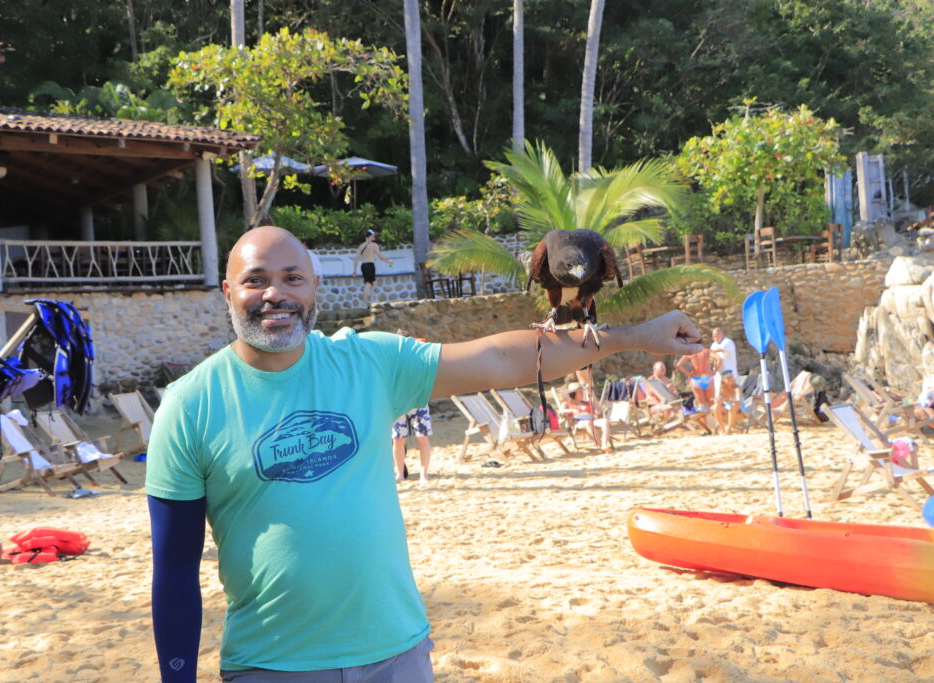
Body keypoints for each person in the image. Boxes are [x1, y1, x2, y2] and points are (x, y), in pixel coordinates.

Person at [146, 226, 703, 682]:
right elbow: (174, 569)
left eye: (292, 278)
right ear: (227, 291)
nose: (276, 294)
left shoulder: (369, 363)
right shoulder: (190, 405)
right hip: (273, 665)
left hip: (397, 654)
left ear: (314, 286)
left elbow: (497, 359)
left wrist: (637, 334)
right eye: (255, 281)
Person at [392, 331, 433, 484]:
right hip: (399, 402)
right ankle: (400, 474)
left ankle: (424, 474)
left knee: (422, 437)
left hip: (418, 400)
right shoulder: (392, 359)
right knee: (398, 439)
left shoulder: (420, 357)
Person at [562, 380, 611, 451]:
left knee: (605, 421)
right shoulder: (567, 403)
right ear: (573, 393)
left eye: (582, 392)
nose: (582, 394)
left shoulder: (587, 403)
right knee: (588, 423)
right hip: (578, 423)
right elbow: (561, 411)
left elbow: (599, 411)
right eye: (580, 392)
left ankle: (604, 444)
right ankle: (601, 445)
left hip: (592, 420)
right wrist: (571, 410)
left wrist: (592, 394)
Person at [351, 229, 393, 307]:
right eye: (373, 236)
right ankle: (364, 303)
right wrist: (388, 261)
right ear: (369, 236)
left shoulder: (361, 246)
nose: (374, 238)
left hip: (363, 265)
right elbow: (380, 256)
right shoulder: (374, 245)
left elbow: (356, 258)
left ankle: (372, 301)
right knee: (368, 284)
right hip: (370, 265)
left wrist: (354, 271)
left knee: (373, 283)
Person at [676, 347, 714, 412]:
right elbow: (719, 359)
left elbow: (679, 365)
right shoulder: (706, 351)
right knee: (712, 403)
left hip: (696, 379)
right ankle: (717, 421)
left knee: (702, 406)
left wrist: (688, 374)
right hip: (707, 378)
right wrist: (715, 370)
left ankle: (705, 421)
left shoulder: (690, 353)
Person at [712, 369, 744, 435]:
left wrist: (728, 400)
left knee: (732, 407)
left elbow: (739, 402)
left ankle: (728, 430)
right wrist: (717, 399)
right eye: (727, 378)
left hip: (739, 408)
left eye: (731, 377)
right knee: (716, 407)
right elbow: (720, 400)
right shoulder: (722, 388)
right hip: (728, 407)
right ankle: (722, 429)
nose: (730, 379)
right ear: (723, 380)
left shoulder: (737, 388)